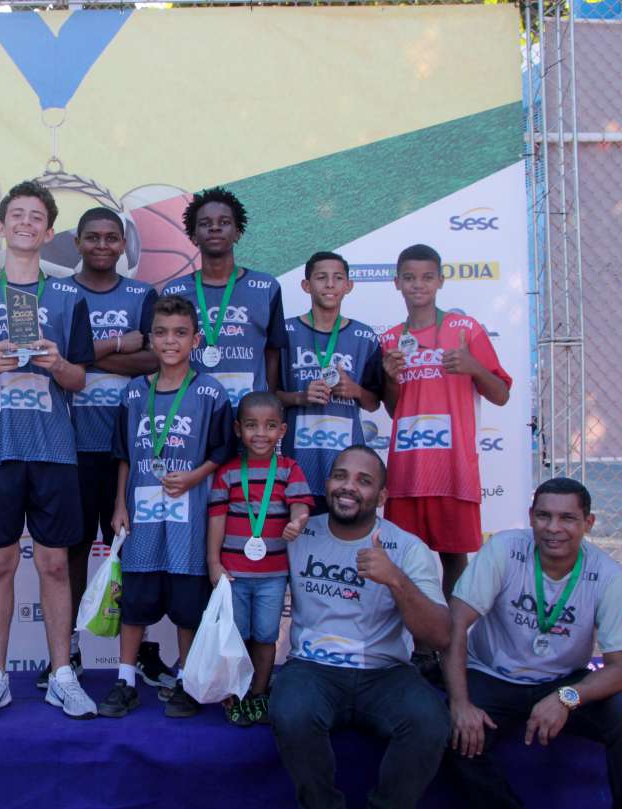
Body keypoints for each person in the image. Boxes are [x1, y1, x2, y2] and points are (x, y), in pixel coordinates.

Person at [0, 181, 98, 721]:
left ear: (49, 232)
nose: (26, 223)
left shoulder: (68, 298)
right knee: (0, 564)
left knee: (54, 564)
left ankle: (61, 675)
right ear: (2, 227)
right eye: (17, 215)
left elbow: (79, 379)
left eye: (36, 216)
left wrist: (58, 364)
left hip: (54, 451)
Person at [270, 445, 452, 809]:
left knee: (430, 722)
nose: (348, 487)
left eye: (364, 481)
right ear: (327, 483)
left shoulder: (406, 547)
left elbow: (439, 635)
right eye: (340, 476)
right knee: (291, 712)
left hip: (385, 673)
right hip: (312, 668)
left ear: (382, 497)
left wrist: (395, 579)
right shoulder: (298, 534)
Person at [443, 477, 622, 807]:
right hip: (492, 674)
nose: (553, 528)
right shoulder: (504, 549)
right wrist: (460, 704)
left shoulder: (609, 575)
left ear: (588, 523)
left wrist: (566, 698)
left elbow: (618, 668)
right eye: (544, 516)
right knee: (447, 732)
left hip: (563, 680)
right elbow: (454, 624)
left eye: (567, 518)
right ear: (530, 517)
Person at [100, 294, 236, 719]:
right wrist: (119, 504)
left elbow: (222, 450)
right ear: (151, 339)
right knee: (135, 599)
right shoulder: (134, 392)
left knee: (187, 605)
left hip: (189, 515)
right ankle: (125, 680)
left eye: (180, 333)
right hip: (141, 512)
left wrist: (194, 476)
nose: (170, 341)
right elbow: (124, 454)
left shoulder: (210, 392)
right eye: (161, 333)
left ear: (195, 339)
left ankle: (187, 681)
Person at [54, 207, 171, 692]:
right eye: (92, 237)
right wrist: (118, 343)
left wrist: (85, 355)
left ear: (123, 245)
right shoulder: (59, 294)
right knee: (74, 550)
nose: (102, 245)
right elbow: (56, 357)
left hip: (132, 447)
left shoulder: (142, 295)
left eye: (111, 238)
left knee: (133, 552)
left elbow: (155, 359)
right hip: (73, 444)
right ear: (77, 243)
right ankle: (68, 652)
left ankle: (139, 651)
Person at [381, 243, 511, 599]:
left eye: (427, 277)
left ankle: (452, 633)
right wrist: (390, 379)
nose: (418, 285)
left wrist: (474, 367)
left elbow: (501, 394)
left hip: (453, 468)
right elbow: (393, 410)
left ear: (440, 281)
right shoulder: (390, 338)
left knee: (454, 559)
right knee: (405, 560)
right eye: (409, 278)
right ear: (397, 283)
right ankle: (417, 635)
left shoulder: (465, 329)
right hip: (407, 470)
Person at [207, 391, 312, 726]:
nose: (261, 433)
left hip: (273, 575)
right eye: (252, 425)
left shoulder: (289, 469)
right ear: (238, 429)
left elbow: (300, 505)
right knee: (235, 638)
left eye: (270, 426)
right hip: (233, 574)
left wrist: (297, 521)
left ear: (282, 430)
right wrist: (213, 563)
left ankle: (259, 692)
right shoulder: (227, 473)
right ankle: (235, 692)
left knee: (266, 635)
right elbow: (217, 519)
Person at [162, 186, 287, 410]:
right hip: (192, 411)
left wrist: (267, 403)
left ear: (237, 232)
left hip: (248, 414)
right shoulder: (174, 291)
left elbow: (273, 350)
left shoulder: (266, 287)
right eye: (205, 223)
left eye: (224, 222)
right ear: (193, 236)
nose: (215, 227)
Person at [277, 251, 382, 512]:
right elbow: (268, 395)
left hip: (345, 466)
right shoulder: (285, 332)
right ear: (306, 285)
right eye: (321, 277)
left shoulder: (364, 337)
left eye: (338, 278)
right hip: (297, 460)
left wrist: (355, 390)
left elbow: (373, 403)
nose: (330, 284)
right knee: (298, 531)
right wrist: (300, 397)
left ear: (349, 285)